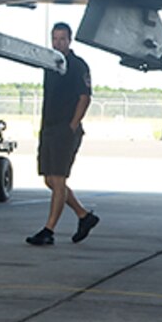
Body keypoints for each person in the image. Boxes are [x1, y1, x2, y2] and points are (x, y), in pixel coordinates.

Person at [26, 21, 98, 246]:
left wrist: (72, 125)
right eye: (55, 39)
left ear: (70, 40)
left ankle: (48, 230)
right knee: (49, 179)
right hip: (48, 127)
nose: (58, 43)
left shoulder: (77, 65)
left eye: (62, 39)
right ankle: (84, 216)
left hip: (64, 130)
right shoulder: (51, 64)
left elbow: (84, 97)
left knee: (58, 180)